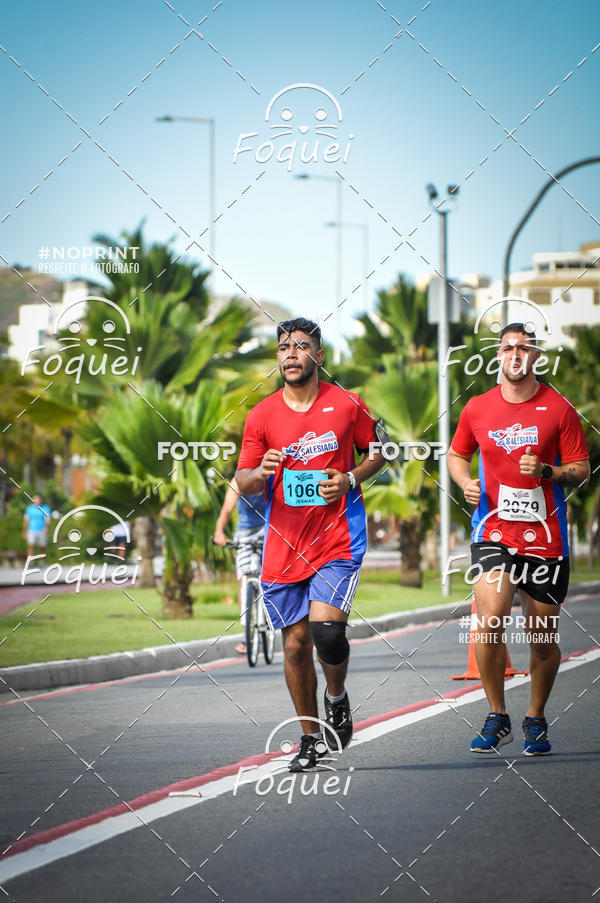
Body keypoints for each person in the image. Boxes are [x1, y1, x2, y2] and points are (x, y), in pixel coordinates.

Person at [235, 317, 386, 771]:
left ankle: (336, 696)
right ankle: (309, 736)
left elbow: (381, 450)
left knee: (326, 632)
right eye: (283, 346)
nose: (290, 353)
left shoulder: (346, 405)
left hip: (337, 537)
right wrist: (260, 473)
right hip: (284, 544)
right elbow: (241, 481)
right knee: (296, 644)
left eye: (301, 346)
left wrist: (351, 478)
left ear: (318, 356)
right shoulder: (261, 416)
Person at [447, 322, 590, 755]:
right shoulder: (477, 408)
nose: (514, 355)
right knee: (489, 620)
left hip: (544, 537)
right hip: (492, 530)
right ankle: (497, 714)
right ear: (498, 355)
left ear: (535, 357)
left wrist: (547, 472)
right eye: (507, 347)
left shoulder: (558, 409)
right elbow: (456, 454)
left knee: (542, 637)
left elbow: (581, 470)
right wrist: (465, 482)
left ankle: (535, 716)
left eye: (523, 348)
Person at [213, 477, 266, 655]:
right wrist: (219, 532)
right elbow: (227, 510)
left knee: (271, 575)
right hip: (245, 532)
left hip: (269, 528)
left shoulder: (272, 478)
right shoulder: (238, 482)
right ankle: (246, 633)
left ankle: (271, 616)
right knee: (244, 578)